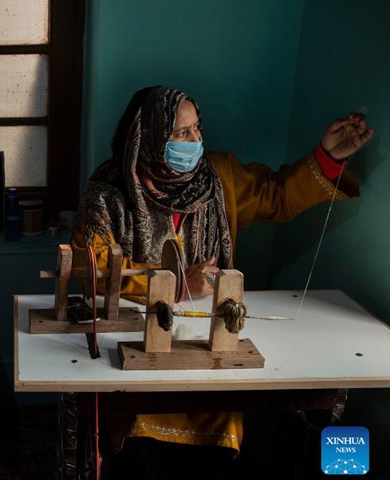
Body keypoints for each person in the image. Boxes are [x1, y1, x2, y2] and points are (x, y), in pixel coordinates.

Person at [72, 86, 373, 477]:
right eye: (181, 133)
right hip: (140, 344)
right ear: (147, 138)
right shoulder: (109, 193)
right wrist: (177, 285)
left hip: (210, 344)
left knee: (216, 455)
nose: (195, 141)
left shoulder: (219, 178)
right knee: (142, 457)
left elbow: (277, 194)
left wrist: (328, 157)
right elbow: (90, 269)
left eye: (197, 129)